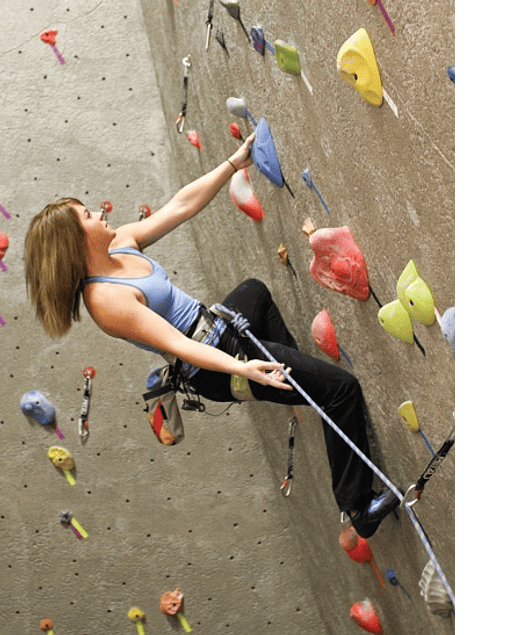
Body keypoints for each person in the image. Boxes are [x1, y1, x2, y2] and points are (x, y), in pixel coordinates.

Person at [24, 133, 398, 538]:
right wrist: (245, 367)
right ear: (75, 242)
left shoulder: (122, 245)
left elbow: (181, 206)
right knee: (342, 390)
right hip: (213, 365)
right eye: (86, 216)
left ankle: (299, 383)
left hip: (217, 326)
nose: (98, 213)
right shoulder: (106, 299)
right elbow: (178, 345)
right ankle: (359, 507)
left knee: (254, 292)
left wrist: (233, 164)